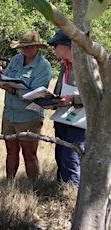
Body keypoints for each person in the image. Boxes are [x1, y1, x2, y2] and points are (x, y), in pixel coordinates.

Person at [0, 30, 52, 181]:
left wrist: (12, 90)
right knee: (11, 151)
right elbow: (4, 81)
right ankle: (9, 183)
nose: (26, 50)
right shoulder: (16, 60)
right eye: (23, 47)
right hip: (9, 114)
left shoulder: (43, 66)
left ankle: (34, 187)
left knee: (29, 154)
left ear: (38, 47)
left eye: (30, 47)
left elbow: (37, 94)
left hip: (29, 116)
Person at [47, 30, 100, 187]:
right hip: (62, 118)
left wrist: (73, 99)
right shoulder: (65, 65)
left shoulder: (89, 63)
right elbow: (59, 92)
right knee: (61, 157)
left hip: (80, 122)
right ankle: (62, 194)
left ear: (68, 45)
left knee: (71, 160)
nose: (54, 48)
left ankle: (72, 199)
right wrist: (51, 100)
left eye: (56, 45)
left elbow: (97, 94)